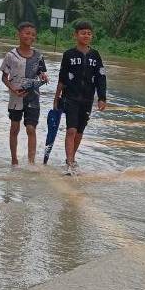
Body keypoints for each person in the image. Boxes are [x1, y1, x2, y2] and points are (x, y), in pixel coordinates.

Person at [53, 20, 107, 176]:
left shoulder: (95, 55)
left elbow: (101, 78)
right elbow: (62, 78)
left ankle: (72, 158)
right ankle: (69, 162)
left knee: (79, 132)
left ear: (92, 36)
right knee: (71, 130)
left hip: (87, 99)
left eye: (89, 33)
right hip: (70, 97)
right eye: (83, 33)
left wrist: (102, 98)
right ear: (75, 35)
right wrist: (56, 98)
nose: (86, 35)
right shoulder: (68, 55)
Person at [0, 22, 49, 166]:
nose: (30, 36)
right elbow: (4, 77)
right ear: (19, 34)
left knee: (31, 128)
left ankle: (31, 163)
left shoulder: (39, 56)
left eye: (33, 34)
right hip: (16, 98)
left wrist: (44, 77)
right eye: (27, 33)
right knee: (14, 128)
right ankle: (14, 160)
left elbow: (41, 73)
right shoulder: (11, 55)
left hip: (33, 97)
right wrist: (12, 89)